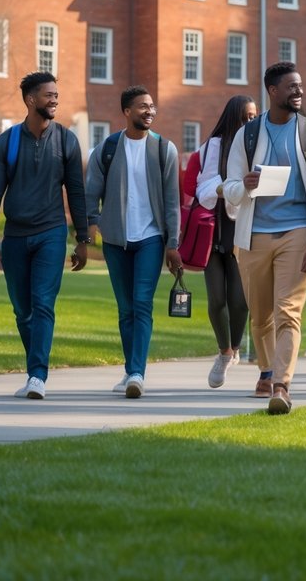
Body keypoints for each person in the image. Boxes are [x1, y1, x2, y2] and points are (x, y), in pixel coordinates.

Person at [223, 62, 306, 415]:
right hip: (254, 234)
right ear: (273, 91)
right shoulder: (248, 134)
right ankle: (267, 371)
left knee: (288, 311)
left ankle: (282, 386)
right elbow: (229, 186)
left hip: (297, 231)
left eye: (301, 86)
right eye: (292, 87)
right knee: (260, 315)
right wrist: (246, 186)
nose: (299, 92)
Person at [0, 71, 90, 400]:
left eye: (56, 94)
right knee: (22, 310)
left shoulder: (67, 140)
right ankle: (34, 368)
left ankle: (37, 375)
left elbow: (77, 193)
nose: (54, 99)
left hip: (51, 233)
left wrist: (82, 239)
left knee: (42, 304)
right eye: (48, 95)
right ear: (30, 100)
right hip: (14, 237)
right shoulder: (7, 142)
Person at [85, 86, 182, 399]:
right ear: (126, 112)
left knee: (141, 303)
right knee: (125, 308)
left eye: (152, 106)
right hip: (115, 238)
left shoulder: (164, 149)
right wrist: (91, 224)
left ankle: (137, 372)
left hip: (151, 238)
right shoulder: (108, 148)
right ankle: (130, 369)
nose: (149, 111)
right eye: (142, 106)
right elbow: (91, 191)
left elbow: (172, 201)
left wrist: (173, 242)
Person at [191, 95, 256, 389]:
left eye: (254, 117)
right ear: (233, 117)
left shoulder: (259, 146)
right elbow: (202, 187)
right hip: (214, 230)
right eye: (246, 117)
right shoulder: (212, 147)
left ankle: (236, 345)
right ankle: (224, 352)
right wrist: (226, 188)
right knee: (217, 299)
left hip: (243, 229)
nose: (250, 123)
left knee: (240, 302)